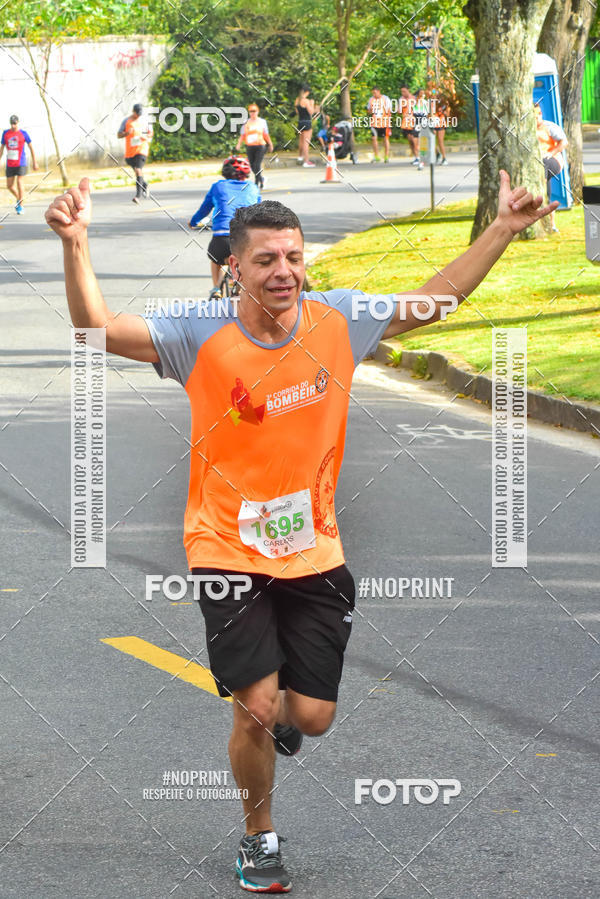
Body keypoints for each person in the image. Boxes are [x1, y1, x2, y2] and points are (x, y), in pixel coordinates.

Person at [45, 170, 557, 894]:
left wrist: (503, 227)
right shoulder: (199, 332)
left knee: (309, 717)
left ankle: (276, 713)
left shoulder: (338, 317)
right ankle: (259, 837)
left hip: (315, 551)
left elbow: (434, 301)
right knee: (256, 707)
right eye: (266, 260)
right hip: (224, 547)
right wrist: (76, 243)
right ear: (235, 269)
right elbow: (96, 329)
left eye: (293, 257)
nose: (283, 272)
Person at [188, 156, 260, 299]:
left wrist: (194, 222)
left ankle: (216, 289)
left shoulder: (218, 186)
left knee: (216, 259)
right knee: (247, 261)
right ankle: (238, 289)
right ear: (246, 174)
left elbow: (205, 209)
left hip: (222, 239)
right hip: (245, 239)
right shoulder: (253, 187)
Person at [534, 102, 567, 233]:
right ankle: (548, 221)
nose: (534, 120)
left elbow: (564, 142)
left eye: (536, 117)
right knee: (543, 184)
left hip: (552, 160)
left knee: (544, 167)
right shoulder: (526, 129)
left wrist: (551, 153)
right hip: (536, 164)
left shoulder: (549, 126)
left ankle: (551, 223)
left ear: (540, 114)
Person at [0, 114, 38, 214]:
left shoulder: (23, 133)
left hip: (21, 162)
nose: (13, 126)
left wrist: (34, 162)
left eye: (15, 123)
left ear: (18, 123)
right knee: (9, 185)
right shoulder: (5, 133)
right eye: (11, 124)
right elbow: (2, 149)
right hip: (10, 163)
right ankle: (18, 198)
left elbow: (31, 148)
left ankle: (20, 206)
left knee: (19, 182)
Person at [118, 103, 153, 204]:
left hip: (142, 149)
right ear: (133, 112)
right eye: (137, 113)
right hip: (130, 152)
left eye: (140, 114)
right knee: (137, 172)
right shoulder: (126, 121)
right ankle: (144, 185)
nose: (138, 116)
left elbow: (150, 134)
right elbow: (119, 134)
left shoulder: (145, 121)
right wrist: (126, 133)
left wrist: (145, 137)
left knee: (138, 170)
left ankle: (138, 196)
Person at [236, 103, 273, 190]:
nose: (253, 113)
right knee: (252, 165)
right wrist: (239, 144)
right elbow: (243, 135)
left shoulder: (262, 122)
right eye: (251, 111)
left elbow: (265, 134)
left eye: (254, 111)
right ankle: (261, 179)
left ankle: (257, 183)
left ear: (258, 112)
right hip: (250, 146)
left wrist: (270, 144)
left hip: (260, 145)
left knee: (257, 164)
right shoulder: (246, 122)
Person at [399, 86, 422, 170]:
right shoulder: (401, 99)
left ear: (408, 90)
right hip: (406, 122)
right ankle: (416, 157)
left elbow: (420, 108)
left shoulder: (414, 98)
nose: (403, 93)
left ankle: (419, 157)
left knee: (414, 140)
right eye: (402, 92)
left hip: (414, 121)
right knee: (410, 140)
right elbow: (399, 111)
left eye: (404, 91)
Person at [367, 87, 392, 163]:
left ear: (379, 91)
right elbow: (368, 111)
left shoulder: (385, 99)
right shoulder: (371, 99)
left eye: (375, 93)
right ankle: (376, 156)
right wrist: (370, 111)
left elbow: (389, 110)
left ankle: (386, 156)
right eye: (373, 93)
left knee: (385, 139)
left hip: (384, 122)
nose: (374, 94)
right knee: (374, 138)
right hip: (374, 122)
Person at [295, 86, 315, 167]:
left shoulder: (297, 100)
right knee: (306, 142)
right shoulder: (306, 101)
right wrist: (312, 104)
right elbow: (311, 112)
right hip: (307, 122)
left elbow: (297, 112)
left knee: (301, 141)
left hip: (300, 122)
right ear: (307, 92)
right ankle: (306, 161)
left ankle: (300, 157)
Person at [434, 95, 450, 165]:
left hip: (441, 123)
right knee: (431, 141)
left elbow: (448, 114)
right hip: (433, 123)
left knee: (440, 141)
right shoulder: (431, 103)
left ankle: (444, 158)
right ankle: (437, 153)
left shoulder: (445, 104)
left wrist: (443, 112)